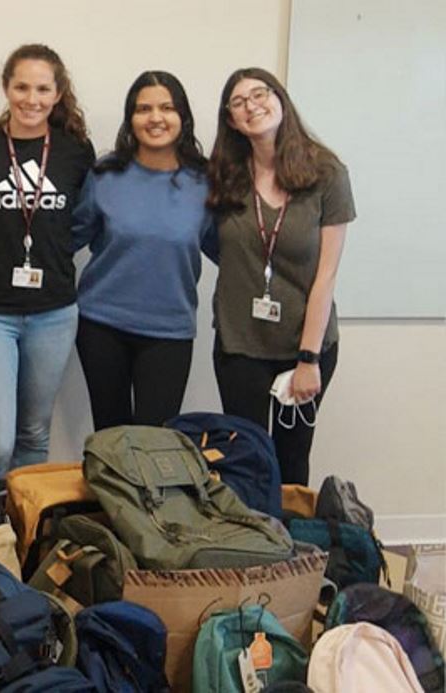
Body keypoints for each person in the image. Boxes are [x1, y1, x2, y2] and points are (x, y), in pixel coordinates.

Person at [0, 44, 95, 481]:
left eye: (43, 88)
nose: (32, 99)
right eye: (22, 87)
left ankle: (23, 534)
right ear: (6, 87)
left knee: (34, 435)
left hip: (53, 312)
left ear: (57, 93)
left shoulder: (75, 151)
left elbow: (84, 222)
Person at [207, 67, 354, 485]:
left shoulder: (326, 174)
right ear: (231, 119)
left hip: (302, 347)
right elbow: (220, 247)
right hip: (240, 345)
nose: (252, 105)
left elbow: (326, 275)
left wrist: (308, 359)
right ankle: (254, 550)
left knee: (291, 461)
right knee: (245, 460)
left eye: (260, 94)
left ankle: (292, 550)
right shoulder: (224, 176)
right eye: (238, 102)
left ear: (280, 98)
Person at [71, 71, 212, 430]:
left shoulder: (207, 182)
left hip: (170, 330)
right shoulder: (105, 173)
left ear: (183, 116)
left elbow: (231, 250)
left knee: (155, 442)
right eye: (143, 109)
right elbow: (67, 239)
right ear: (130, 118)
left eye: (166, 108)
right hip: (102, 325)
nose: (155, 118)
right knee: (111, 437)